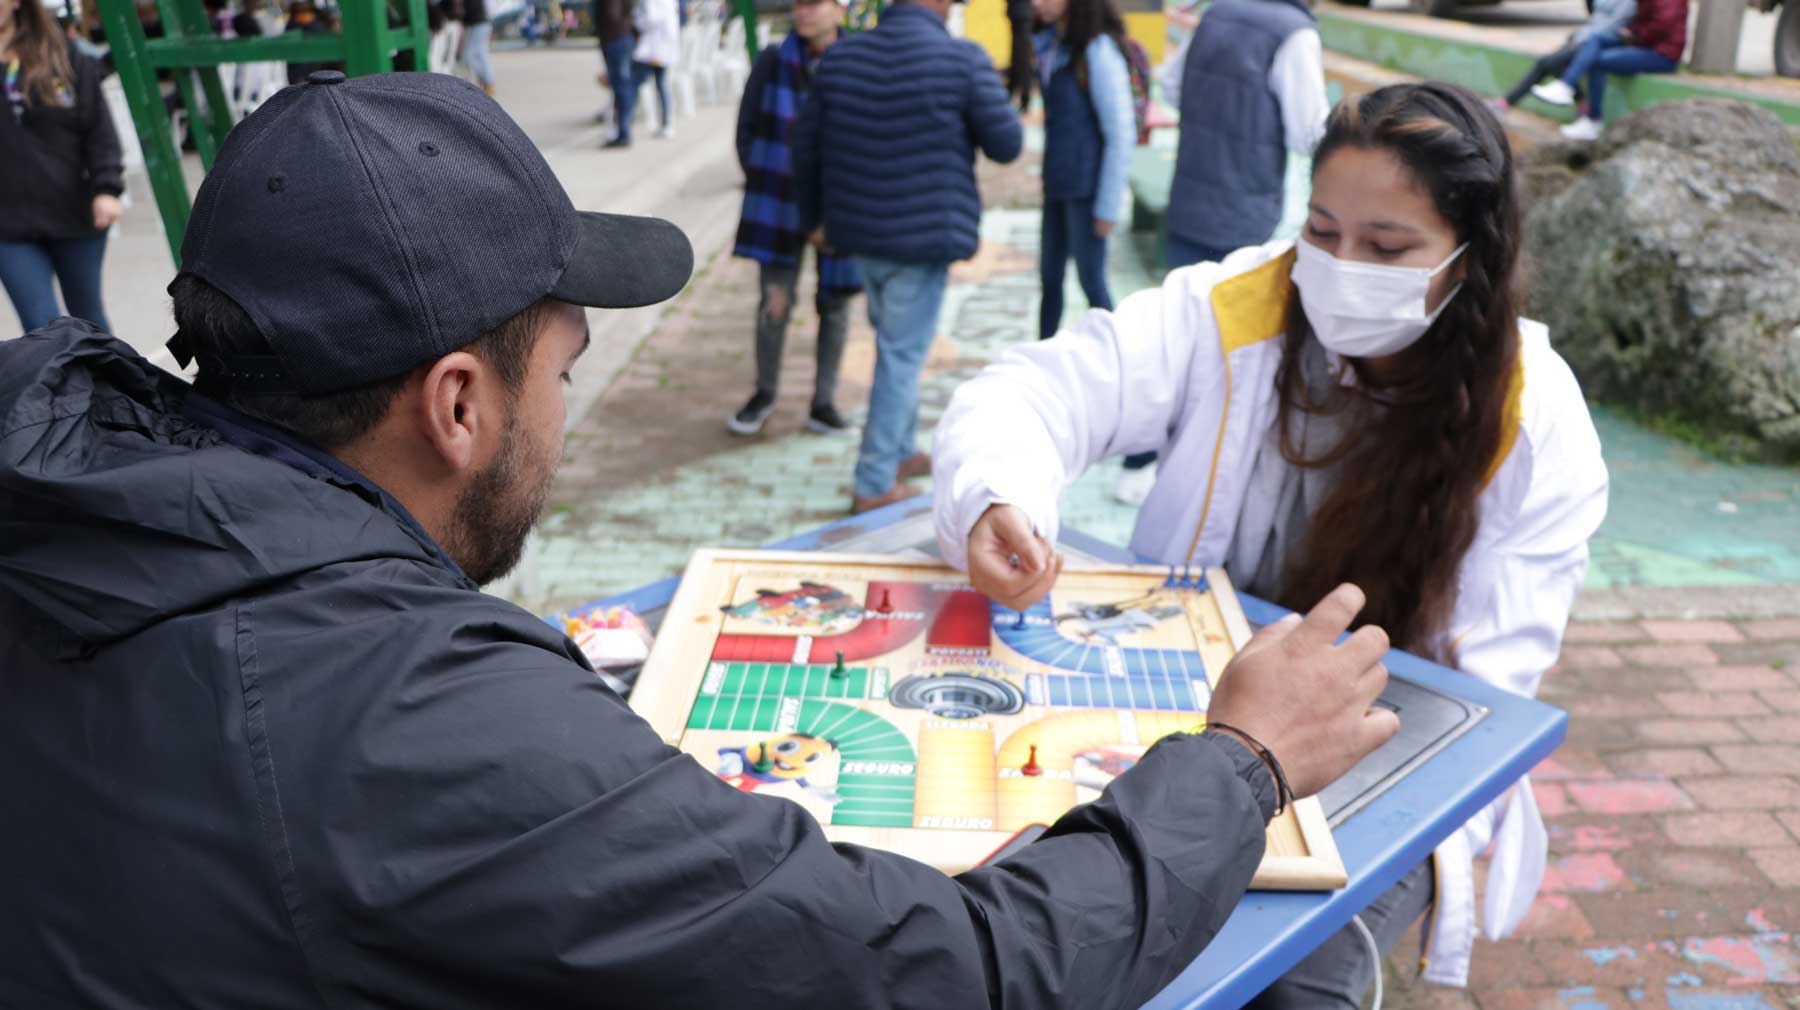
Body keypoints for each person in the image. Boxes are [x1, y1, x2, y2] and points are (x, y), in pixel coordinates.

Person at [0, 68, 1403, 1010]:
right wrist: (1241, 758)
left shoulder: (76, 489)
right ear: (457, 406)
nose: (564, 399)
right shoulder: (416, 722)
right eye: (564, 362)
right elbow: (973, 974)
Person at [931, 82, 1610, 1006]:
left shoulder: (1534, 424)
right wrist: (995, 496)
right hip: (1189, 701)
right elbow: (1036, 392)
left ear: (1467, 258)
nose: (1339, 265)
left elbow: (1475, 709)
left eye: (1387, 246)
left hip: (1379, 753)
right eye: (1322, 230)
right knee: (1036, 896)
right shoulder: (1234, 306)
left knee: (1297, 982)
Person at [794, 0, 1023, 514]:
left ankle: (900, 452)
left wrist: (814, 220)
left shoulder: (842, 59)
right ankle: (874, 481)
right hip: (924, 238)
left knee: (896, 343)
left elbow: (804, 145)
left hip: (859, 235)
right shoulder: (962, 60)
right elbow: (1006, 143)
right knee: (901, 354)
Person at [1126, 0, 1326, 506]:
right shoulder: (1293, 33)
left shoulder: (1216, 13)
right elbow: (1309, 132)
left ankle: (1139, 459)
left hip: (1191, 195)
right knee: (1234, 347)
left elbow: (1171, 85)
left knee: (1177, 333)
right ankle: (1199, 473)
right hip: (1247, 206)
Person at [727, 0, 861, 437]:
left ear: (840, 9)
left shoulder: (857, 59)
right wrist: (763, 172)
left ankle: (823, 401)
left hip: (838, 200)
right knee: (774, 303)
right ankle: (764, 393)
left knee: (836, 303)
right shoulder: (773, 60)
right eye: (798, 3)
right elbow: (746, 128)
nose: (803, 11)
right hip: (779, 201)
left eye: (814, 3)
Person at [0, 0, 123, 335]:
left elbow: (99, 128)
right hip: (9, 226)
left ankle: (109, 387)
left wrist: (107, 187)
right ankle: (60, 390)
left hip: (74, 211)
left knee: (89, 319)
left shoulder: (63, 54)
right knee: (41, 328)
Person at [1032, 0, 1133, 343]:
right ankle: (1042, 355)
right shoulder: (1053, 45)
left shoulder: (1098, 52)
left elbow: (1120, 134)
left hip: (1087, 190)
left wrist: (1108, 207)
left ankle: (1120, 356)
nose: (1036, 3)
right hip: (1058, 184)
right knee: (1049, 278)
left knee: (1091, 281)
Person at [1530, 0, 1687, 141]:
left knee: (1598, 61)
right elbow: (1644, 19)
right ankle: (1565, 85)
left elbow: (1663, 25)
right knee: (1596, 39)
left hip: (1662, 54)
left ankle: (1593, 120)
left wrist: (1633, 34)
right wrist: (1629, 31)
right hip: (1642, 43)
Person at [1488, 0, 1633, 115]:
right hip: (1585, 37)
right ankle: (1582, 103)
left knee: (1547, 62)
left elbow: (1614, 24)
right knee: (1549, 61)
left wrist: (1583, 39)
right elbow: (1595, 18)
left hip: (1602, 41)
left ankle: (1505, 103)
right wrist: (1578, 36)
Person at [632, 0, 678, 138]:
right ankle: (666, 123)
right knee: (661, 84)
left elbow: (650, 20)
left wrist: (635, 19)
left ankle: (625, 121)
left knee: (634, 83)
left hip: (655, 49)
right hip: (661, 48)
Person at [595, 0, 634, 146]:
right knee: (621, 88)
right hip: (620, 37)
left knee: (621, 88)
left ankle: (623, 132)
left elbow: (612, 14)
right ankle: (622, 130)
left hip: (616, 39)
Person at [458, 0, 496, 96]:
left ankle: (487, 82)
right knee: (480, 54)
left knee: (469, 56)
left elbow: (468, 11)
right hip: (481, 24)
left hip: (477, 25)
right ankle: (487, 83)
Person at [1004, 0, 1035, 111]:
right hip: (1021, 13)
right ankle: (1017, 93)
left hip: (1020, 12)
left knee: (1021, 58)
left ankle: (1023, 96)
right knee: (1019, 56)